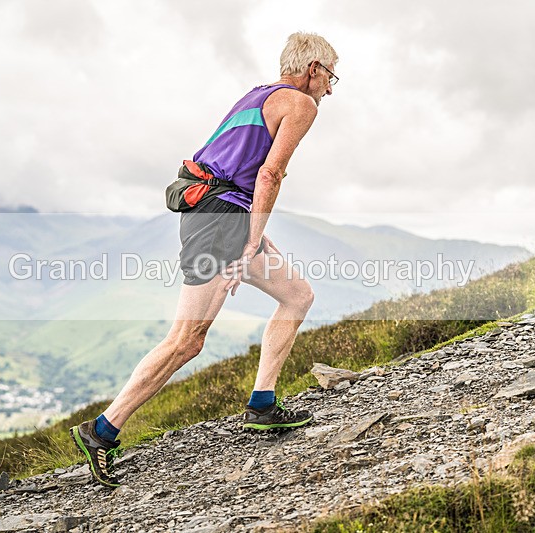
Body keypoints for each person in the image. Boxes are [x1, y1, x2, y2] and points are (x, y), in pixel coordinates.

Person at [71, 32, 339, 486]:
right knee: (187, 339)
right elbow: (269, 173)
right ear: (312, 68)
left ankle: (262, 404)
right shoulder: (300, 104)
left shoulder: (258, 96)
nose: (330, 89)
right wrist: (250, 239)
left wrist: (254, 234)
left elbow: (234, 171)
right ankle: (101, 431)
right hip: (220, 222)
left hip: (218, 214)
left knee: (297, 295)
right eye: (331, 76)